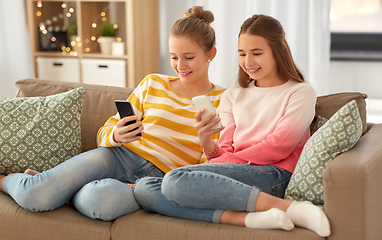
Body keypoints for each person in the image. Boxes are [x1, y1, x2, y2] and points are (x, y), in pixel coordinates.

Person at [0, 6, 225, 221]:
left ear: (210, 54)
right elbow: (104, 134)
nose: (179, 65)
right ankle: (13, 182)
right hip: (116, 157)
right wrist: (117, 135)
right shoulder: (153, 83)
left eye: (189, 57)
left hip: (157, 182)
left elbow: (213, 164)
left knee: (101, 202)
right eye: (174, 57)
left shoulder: (224, 100)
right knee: (35, 196)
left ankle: (58, 189)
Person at [133, 14, 331, 237]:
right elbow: (224, 150)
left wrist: (218, 164)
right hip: (236, 172)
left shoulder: (300, 92)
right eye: (242, 54)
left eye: (257, 53)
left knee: (175, 180)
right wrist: (207, 143)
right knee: (144, 189)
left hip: (274, 174)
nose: (248, 62)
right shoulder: (233, 95)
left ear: (279, 50)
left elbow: (280, 145)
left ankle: (292, 208)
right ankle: (250, 219)